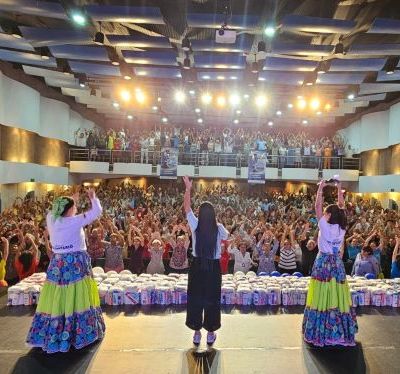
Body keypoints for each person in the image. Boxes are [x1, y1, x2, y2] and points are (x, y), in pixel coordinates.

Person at [26, 189, 105, 353]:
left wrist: (70, 200)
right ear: (69, 210)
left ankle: (54, 332)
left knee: (58, 295)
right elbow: (96, 212)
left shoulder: (51, 219)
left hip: (58, 262)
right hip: (75, 263)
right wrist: (92, 198)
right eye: (74, 207)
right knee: (77, 295)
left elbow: (56, 210)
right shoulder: (74, 221)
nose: (76, 209)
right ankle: (78, 333)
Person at [302, 180, 358, 347]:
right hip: (337, 264)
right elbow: (341, 207)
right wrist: (339, 188)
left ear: (329, 215)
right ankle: (339, 331)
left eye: (326, 212)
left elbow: (317, 206)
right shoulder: (342, 227)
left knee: (321, 294)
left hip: (323, 262)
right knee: (337, 294)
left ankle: (321, 331)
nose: (324, 213)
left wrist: (320, 187)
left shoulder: (324, 226)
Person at [183, 176, 229, 346]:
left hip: (197, 266)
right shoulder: (219, 229)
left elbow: (187, 208)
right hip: (213, 267)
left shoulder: (195, 225)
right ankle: (210, 333)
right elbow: (227, 238)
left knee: (196, 298)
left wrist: (188, 189)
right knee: (212, 299)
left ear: (200, 214)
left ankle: (196, 332)